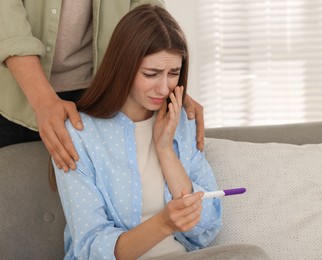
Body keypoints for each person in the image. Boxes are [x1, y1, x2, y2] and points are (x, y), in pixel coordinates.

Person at [50, 4, 222, 259]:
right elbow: (91, 247)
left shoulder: (181, 122)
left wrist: (165, 150)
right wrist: (164, 223)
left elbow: (207, 227)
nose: (164, 88)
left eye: (173, 73)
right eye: (151, 74)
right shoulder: (79, 134)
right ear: (124, 67)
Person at [0, 0, 205, 173]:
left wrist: (164, 77)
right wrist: (43, 100)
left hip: (100, 90)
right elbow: (7, 18)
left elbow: (145, 9)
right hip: (16, 91)